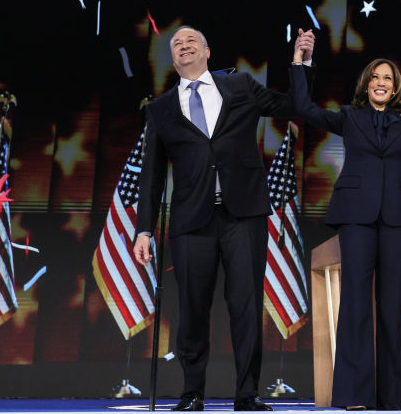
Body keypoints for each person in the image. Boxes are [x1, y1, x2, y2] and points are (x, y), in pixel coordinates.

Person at [133, 25, 316, 412]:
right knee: (193, 308)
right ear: (173, 57)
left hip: (243, 214)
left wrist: (301, 63)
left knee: (246, 305)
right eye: (177, 44)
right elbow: (151, 176)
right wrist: (144, 229)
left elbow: (292, 107)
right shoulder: (161, 109)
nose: (184, 46)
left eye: (191, 41)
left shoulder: (240, 87)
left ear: (207, 51)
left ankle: (247, 395)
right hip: (190, 221)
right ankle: (192, 393)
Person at [289, 32, 401, 410]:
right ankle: (354, 395)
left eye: (388, 79)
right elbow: (303, 106)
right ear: (366, 84)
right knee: (355, 305)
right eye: (376, 77)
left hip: (398, 216)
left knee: (392, 306)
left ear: (395, 88)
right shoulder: (349, 116)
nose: (381, 83)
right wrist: (301, 61)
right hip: (357, 217)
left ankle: (392, 397)